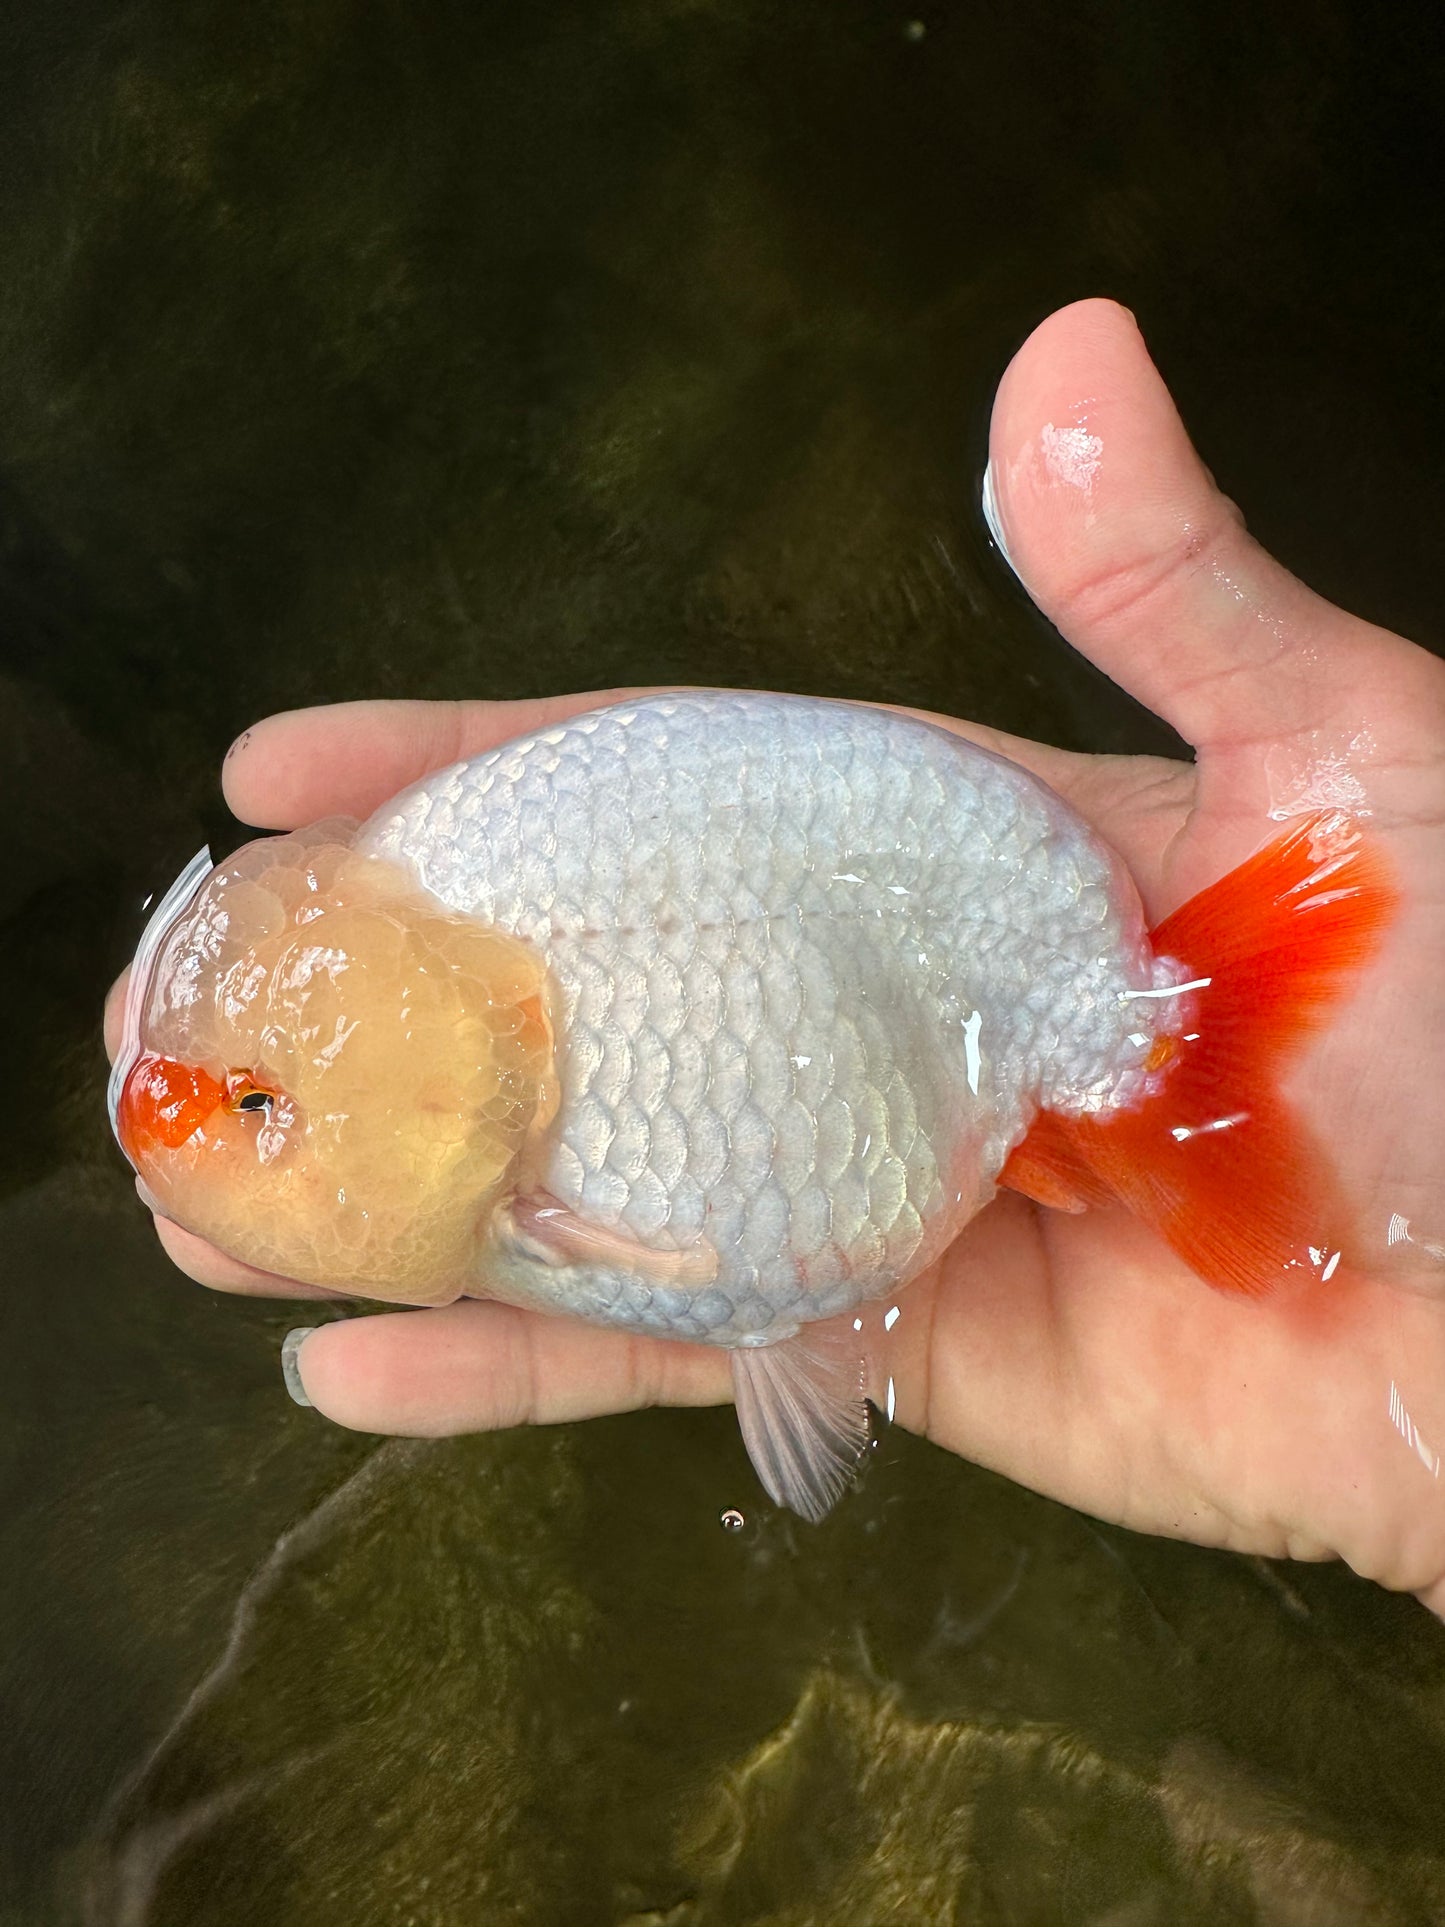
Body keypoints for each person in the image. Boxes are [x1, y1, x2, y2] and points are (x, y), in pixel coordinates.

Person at [105, 300, 1445, 1614]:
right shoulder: (447, 893)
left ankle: (1204, 1129)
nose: (235, 1120)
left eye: (260, 1105)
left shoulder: (471, 940)